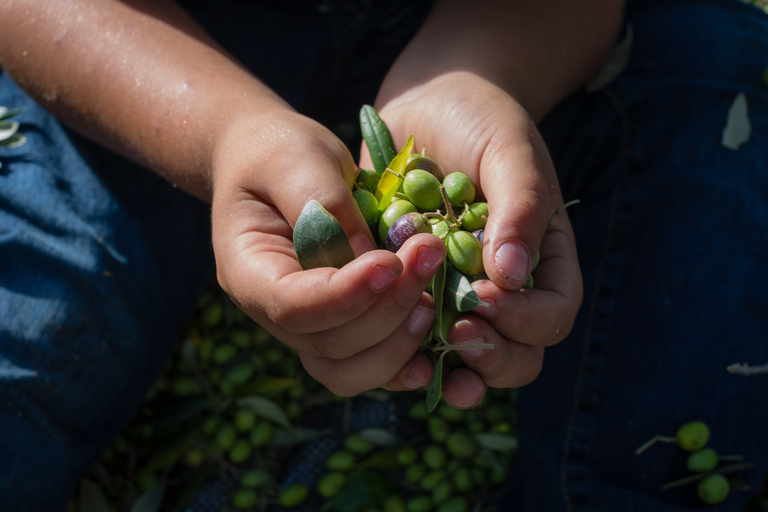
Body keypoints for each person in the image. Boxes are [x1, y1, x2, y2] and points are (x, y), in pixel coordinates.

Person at [0, 0, 765, 510]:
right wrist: (229, 134)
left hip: (519, 25)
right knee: (29, 340)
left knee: (698, 348)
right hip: (153, 53)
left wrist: (484, 76)